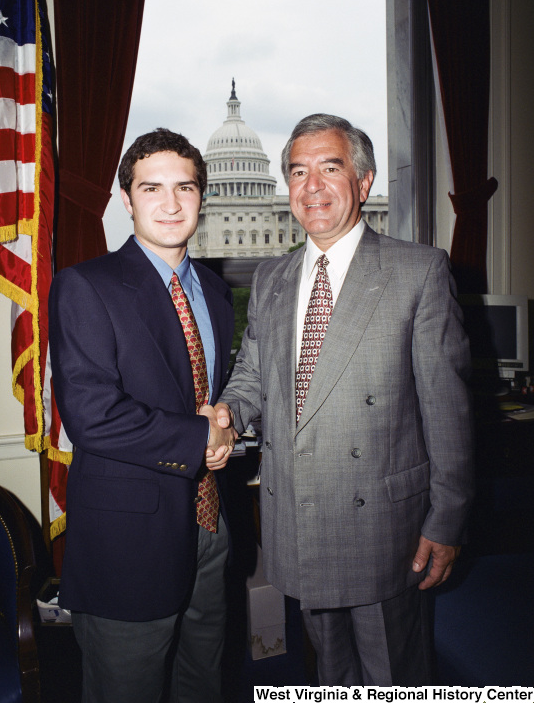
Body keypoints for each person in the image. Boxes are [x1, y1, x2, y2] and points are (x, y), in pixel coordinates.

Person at [214, 114, 474, 686]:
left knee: (390, 675)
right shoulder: (272, 279)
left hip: (386, 524)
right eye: (299, 172)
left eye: (330, 169)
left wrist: (447, 519)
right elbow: (253, 375)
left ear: (363, 180)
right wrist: (228, 413)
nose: (312, 187)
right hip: (300, 516)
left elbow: (448, 413)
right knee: (329, 672)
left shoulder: (418, 271)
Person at [49, 128, 237, 703]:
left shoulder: (213, 287)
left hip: (211, 524)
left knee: (201, 679)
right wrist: (201, 433)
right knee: (125, 689)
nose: (172, 203)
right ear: (125, 199)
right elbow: (91, 415)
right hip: (128, 537)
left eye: (185, 187)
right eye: (151, 187)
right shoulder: (86, 285)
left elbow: (210, 396)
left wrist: (224, 428)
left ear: (203, 197)